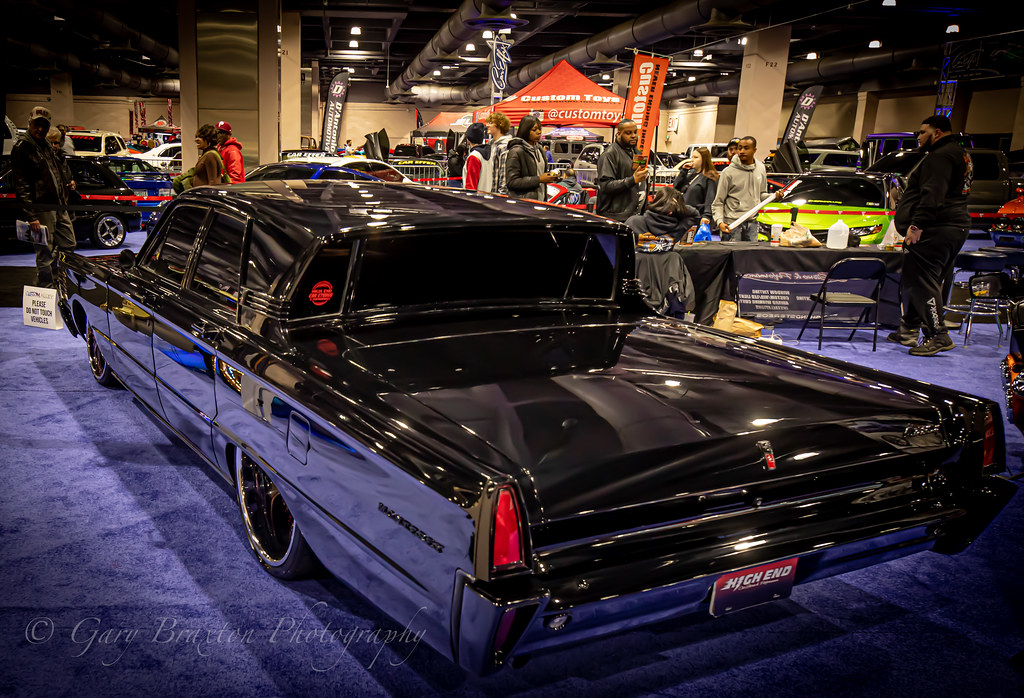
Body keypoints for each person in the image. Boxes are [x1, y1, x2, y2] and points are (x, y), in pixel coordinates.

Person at [888, 114, 973, 356]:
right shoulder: (960, 153)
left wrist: (916, 226)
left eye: (923, 132)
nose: (919, 136)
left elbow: (933, 195)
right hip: (952, 227)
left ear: (937, 133)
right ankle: (909, 329)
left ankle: (938, 335)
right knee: (921, 279)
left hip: (937, 228)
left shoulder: (941, 156)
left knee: (922, 280)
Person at [11, 106, 77, 287]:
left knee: (68, 244)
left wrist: (67, 185)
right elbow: (21, 185)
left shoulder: (46, 146)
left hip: (58, 206)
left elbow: (56, 173)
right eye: (36, 125)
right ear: (29, 124)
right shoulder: (22, 148)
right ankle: (47, 288)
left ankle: (53, 279)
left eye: (43, 125)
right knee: (44, 252)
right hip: (41, 208)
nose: (40, 129)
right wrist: (31, 215)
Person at [712, 135, 774, 241]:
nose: (741, 151)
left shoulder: (760, 168)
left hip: (753, 223)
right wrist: (720, 222)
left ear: (754, 150)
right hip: (732, 224)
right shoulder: (728, 172)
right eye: (739, 148)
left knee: (750, 257)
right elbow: (718, 202)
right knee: (732, 257)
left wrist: (774, 197)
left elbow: (761, 194)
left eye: (746, 148)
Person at [596, 119, 649, 222]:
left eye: (635, 132)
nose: (633, 136)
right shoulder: (609, 155)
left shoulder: (636, 152)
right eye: (628, 133)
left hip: (634, 215)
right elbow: (606, 185)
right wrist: (632, 180)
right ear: (618, 134)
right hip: (615, 217)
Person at [505, 115, 562, 200]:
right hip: (524, 204)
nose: (539, 132)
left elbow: (541, 175)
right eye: (534, 130)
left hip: (540, 202)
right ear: (525, 131)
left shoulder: (540, 150)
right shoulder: (516, 151)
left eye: (540, 129)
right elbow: (512, 182)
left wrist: (551, 177)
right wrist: (539, 179)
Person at [173, 124, 226, 192]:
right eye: (196, 137)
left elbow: (213, 183)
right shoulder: (207, 155)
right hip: (202, 196)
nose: (196, 140)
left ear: (208, 139)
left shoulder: (210, 156)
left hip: (205, 197)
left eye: (200, 137)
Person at [683, 147, 720, 230]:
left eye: (696, 157)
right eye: (692, 157)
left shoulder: (710, 176)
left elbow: (710, 197)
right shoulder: (692, 174)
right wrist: (683, 171)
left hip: (700, 218)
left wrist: (707, 215)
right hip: (686, 217)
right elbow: (677, 187)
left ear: (704, 159)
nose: (692, 160)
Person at [484, 111, 513, 194]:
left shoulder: (504, 146)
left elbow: (504, 174)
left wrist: (501, 195)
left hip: (497, 195)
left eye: (491, 123)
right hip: (490, 193)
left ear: (499, 125)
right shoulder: (491, 144)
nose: (487, 125)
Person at [462, 122, 490, 191]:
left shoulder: (474, 156)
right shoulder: (490, 153)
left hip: (476, 199)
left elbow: (471, 186)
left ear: (468, 139)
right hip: (488, 197)